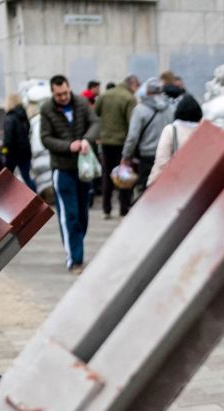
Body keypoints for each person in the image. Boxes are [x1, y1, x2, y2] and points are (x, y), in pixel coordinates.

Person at [39, 74, 99, 273]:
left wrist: (86, 140)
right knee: (69, 215)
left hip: (83, 170)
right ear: (52, 93)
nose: (63, 97)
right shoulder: (46, 109)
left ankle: (74, 246)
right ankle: (75, 259)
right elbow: (45, 138)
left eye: (65, 93)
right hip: (62, 169)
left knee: (82, 215)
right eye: (59, 95)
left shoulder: (82, 102)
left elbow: (95, 124)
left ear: (69, 88)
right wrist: (68, 146)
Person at [95, 74, 139, 218]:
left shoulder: (104, 95)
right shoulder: (129, 98)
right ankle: (123, 208)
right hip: (122, 143)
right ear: (132, 85)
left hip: (106, 142)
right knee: (124, 175)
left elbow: (96, 114)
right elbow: (132, 123)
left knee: (107, 175)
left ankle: (106, 208)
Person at [121, 80, 171, 195]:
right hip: (167, 155)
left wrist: (126, 155)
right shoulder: (170, 108)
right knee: (164, 190)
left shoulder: (140, 110)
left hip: (147, 156)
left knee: (146, 189)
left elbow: (133, 136)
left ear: (147, 92)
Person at [148, 94, 202, 184]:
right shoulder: (203, 131)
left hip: (173, 182)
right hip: (194, 180)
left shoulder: (171, 130)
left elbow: (162, 161)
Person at [2, 93, 36, 191]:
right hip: (26, 151)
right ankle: (36, 197)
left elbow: (8, 139)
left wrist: (3, 152)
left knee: (6, 179)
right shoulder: (24, 116)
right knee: (27, 176)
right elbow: (28, 130)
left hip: (13, 154)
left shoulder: (9, 118)